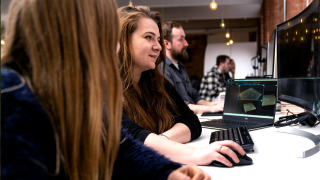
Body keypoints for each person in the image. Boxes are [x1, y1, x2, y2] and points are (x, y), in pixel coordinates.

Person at [1, 0, 209, 180]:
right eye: (107, 34)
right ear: (75, 36)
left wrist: (167, 172)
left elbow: (119, 147)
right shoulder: (9, 97)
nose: (117, 48)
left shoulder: (66, 93)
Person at [118, 5, 246, 167]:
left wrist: (163, 140)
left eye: (158, 39)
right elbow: (129, 136)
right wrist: (196, 154)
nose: (158, 46)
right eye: (149, 37)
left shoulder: (157, 83)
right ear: (123, 40)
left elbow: (191, 121)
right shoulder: (104, 88)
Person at [161, 21, 224, 114]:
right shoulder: (162, 69)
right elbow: (178, 107)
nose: (186, 44)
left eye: (184, 38)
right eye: (181, 39)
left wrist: (213, 105)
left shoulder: (180, 67)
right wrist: (211, 109)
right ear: (166, 44)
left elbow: (195, 96)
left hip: (192, 116)